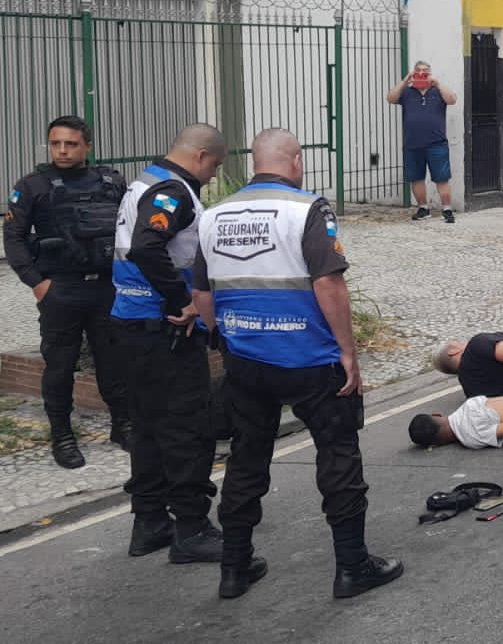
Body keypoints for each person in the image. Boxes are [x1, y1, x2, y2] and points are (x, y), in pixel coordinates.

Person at [191, 129, 402, 600]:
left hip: (246, 361)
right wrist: (348, 352)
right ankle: (352, 567)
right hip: (309, 358)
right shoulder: (307, 209)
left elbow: (202, 294)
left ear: (254, 163)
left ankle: (234, 568)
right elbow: (329, 284)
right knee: (338, 453)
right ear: (297, 161)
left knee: (246, 459)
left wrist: (226, 338)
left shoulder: (213, 216)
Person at [113, 123, 228, 563]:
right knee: (188, 428)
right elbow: (147, 246)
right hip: (166, 330)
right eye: (215, 166)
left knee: (146, 426)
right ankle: (191, 528)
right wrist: (183, 300)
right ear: (200, 156)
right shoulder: (173, 192)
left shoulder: (144, 181)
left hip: (132, 325)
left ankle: (149, 522)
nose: (213, 176)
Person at [3, 115, 129, 468]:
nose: (61, 150)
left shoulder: (112, 182)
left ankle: (123, 425)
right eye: (55, 143)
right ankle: (62, 436)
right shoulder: (32, 186)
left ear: (87, 146)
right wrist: (37, 283)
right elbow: (13, 238)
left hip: (106, 287)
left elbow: (128, 230)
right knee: (59, 368)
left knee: (114, 363)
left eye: (70, 144)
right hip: (61, 290)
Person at [386, 61, 458, 223]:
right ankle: (423, 208)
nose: (421, 73)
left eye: (425, 71)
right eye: (418, 70)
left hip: (437, 143)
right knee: (416, 178)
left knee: (442, 178)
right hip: (412, 144)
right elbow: (390, 98)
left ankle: (447, 210)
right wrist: (405, 80)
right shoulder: (407, 92)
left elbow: (452, 100)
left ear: (430, 72)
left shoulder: (438, 91)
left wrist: (437, 83)